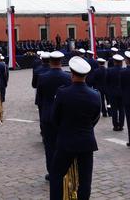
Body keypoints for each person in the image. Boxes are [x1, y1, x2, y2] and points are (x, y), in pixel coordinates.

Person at [49, 56, 101, 200]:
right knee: (85, 180)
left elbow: (54, 118)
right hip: (86, 141)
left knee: (56, 175)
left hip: (66, 140)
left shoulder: (62, 93)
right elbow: (95, 118)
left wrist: (64, 128)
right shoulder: (95, 95)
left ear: (71, 73)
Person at [37, 51, 71, 180]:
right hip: (63, 116)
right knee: (63, 144)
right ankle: (64, 170)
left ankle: (52, 172)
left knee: (49, 146)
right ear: (61, 61)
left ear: (50, 62)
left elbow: (39, 98)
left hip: (47, 115)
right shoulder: (68, 77)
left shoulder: (43, 77)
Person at [105, 54, 124, 131]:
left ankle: (115, 126)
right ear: (121, 62)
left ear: (114, 62)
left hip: (112, 93)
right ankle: (121, 125)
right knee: (122, 110)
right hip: (122, 93)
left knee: (114, 110)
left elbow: (107, 82)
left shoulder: (109, 70)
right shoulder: (124, 70)